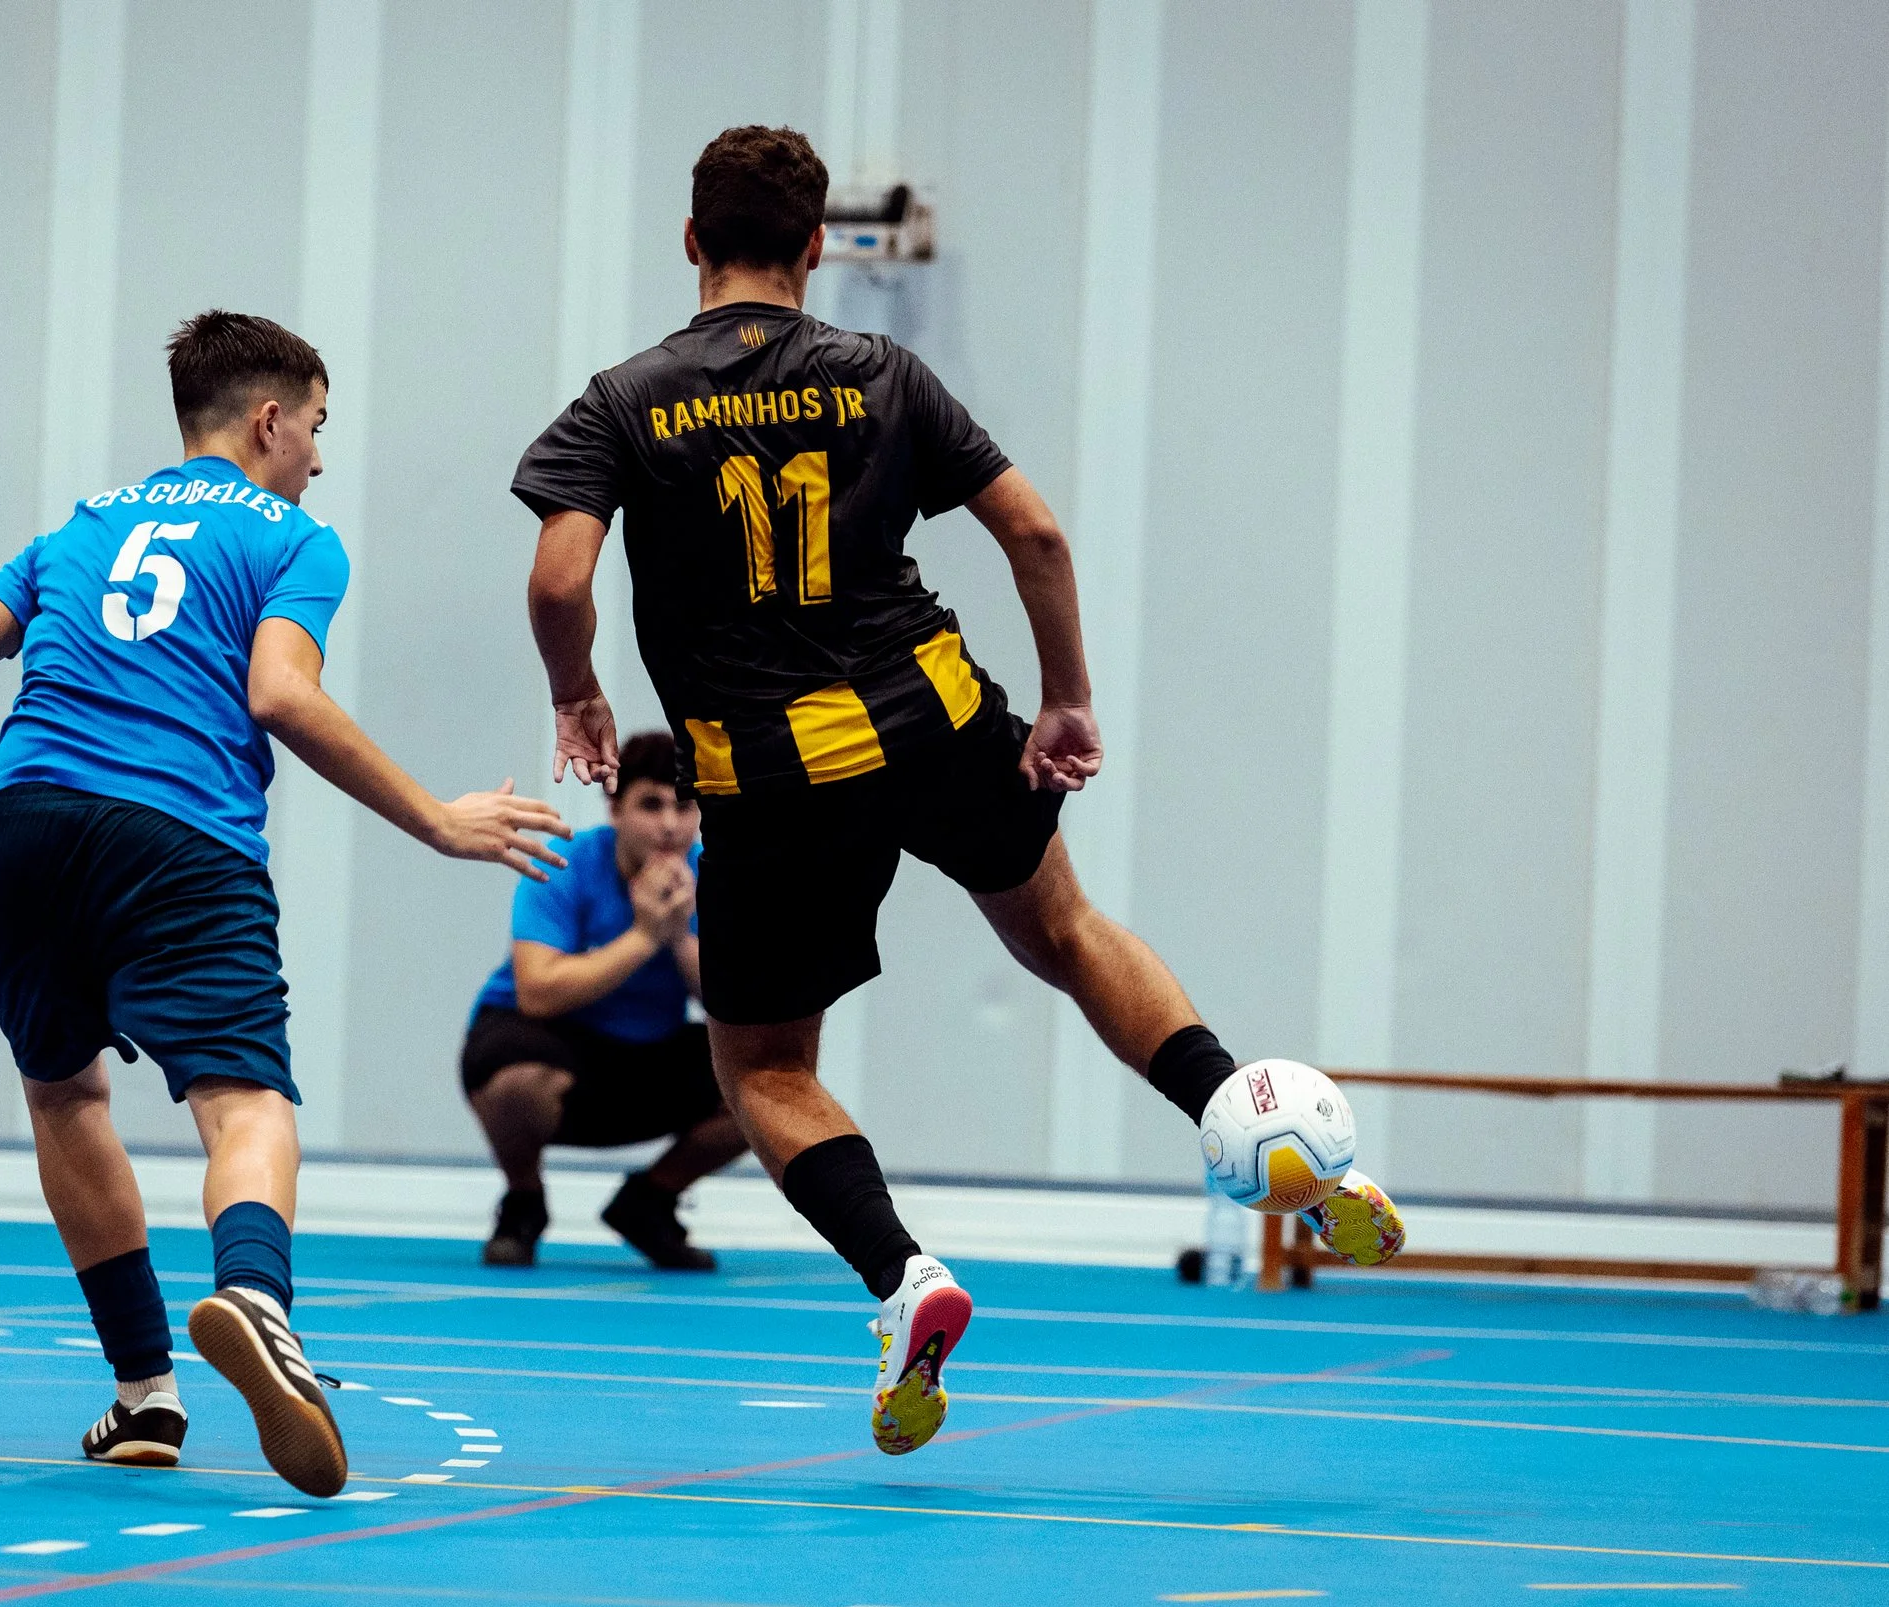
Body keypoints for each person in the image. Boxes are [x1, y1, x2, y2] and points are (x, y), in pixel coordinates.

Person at [513, 126, 1406, 1458]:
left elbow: (559, 579)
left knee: (762, 1062)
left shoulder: (623, 400)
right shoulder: (881, 371)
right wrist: (1066, 696)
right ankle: (1242, 1111)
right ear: (817, 247)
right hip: (931, 713)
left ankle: (905, 1277)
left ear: (692, 241)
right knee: (1064, 929)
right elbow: (1035, 530)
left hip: (769, 765)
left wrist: (577, 693)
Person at [0, 310, 568, 1496]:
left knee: (62, 1093)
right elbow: (280, 695)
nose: (317, 453)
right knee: (243, 1102)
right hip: (176, 835)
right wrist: (437, 819)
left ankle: (143, 1393)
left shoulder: (77, 529)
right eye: (314, 426)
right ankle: (256, 1298)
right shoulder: (295, 539)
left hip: (26, 830)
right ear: (267, 420)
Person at [461, 730, 751, 1270]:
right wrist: (643, 936)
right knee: (515, 1083)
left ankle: (650, 1202)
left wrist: (676, 935)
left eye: (684, 806)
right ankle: (523, 1201)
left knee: (768, 1082)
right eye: (650, 805)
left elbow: (736, 1003)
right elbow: (538, 992)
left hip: (647, 1054)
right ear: (614, 808)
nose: (670, 824)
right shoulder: (565, 864)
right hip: (552, 1040)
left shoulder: (719, 875)